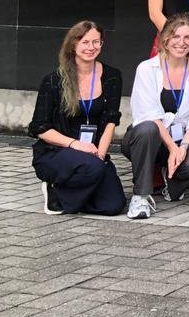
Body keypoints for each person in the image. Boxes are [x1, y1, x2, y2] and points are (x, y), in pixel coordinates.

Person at [28, 20, 126, 216]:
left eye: (96, 42)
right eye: (85, 42)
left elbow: (110, 121)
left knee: (113, 205)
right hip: (57, 151)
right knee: (91, 168)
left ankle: (69, 193)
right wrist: (76, 144)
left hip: (93, 152)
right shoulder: (54, 80)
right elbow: (40, 128)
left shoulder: (112, 76)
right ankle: (53, 190)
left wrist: (101, 154)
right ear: (73, 44)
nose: (91, 47)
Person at [122, 14, 189, 219]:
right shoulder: (147, 68)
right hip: (147, 138)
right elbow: (149, 115)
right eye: (175, 36)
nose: (181, 43)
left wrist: (182, 148)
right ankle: (141, 197)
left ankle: (171, 183)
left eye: (188, 37)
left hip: (182, 139)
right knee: (147, 129)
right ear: (165, 39)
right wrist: (172, 148)